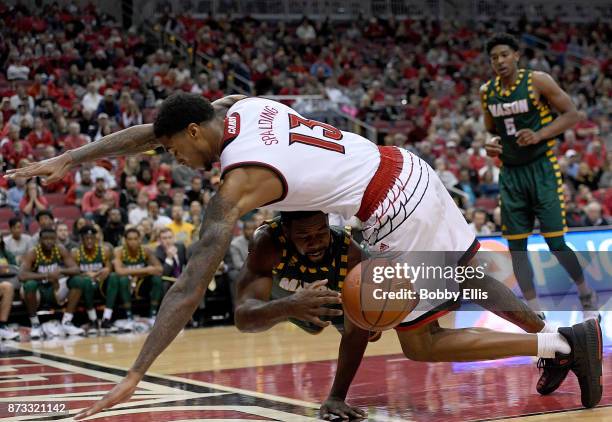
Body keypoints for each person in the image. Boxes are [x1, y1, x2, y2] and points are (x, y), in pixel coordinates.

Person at [6, 93, 602, 418]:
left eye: (172, 152)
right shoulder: (239, 106)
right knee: (466, 278)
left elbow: (189, 286)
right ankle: (560, 342)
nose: (171, 162)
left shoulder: (237, 187)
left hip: (393, 209)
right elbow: (149, 129)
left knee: (421, 343)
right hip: (408, 170)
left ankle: (562, 344)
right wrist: (74, 159)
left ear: (193, 136)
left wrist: (137, 373)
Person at [234, 211, 593, 419]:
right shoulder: (268, 242)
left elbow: (357, 332)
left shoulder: (349, 248)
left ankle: (555, 340)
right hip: (293, 300)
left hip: (351, 287)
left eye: (319, 234)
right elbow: (244, 318)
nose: (314, 242)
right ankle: (558, 341)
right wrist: (288, 307)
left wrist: (337, 395)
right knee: (455, 283)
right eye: (304, 237)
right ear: (286, 233)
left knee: (457, 277)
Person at [481, 33, 599, 319]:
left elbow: (573, 115)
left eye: (504, 55)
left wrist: (539, 135)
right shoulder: (487, 92)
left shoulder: (538, 81)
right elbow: (491, 130)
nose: (499, 61)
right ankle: (535, 313)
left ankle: (585, 291)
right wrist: (490, 144)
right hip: (511, 175)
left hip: (542, 170)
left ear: (517, 55)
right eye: (494, 57)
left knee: (555, 242)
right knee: (517, 248)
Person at [19, 228, 84, 338]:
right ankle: (35, 324)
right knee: (29, 284)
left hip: (54, 286)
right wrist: (46, 275)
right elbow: (22, 275)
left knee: (78, 280)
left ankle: (67, 322)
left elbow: (76, 269)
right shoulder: (33, 252)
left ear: (56, 240)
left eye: (52, 239)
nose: (49, 241)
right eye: (45, 239)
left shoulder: (60, 249)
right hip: (37, 289)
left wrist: (61, 270)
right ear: (40, 240)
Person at [112, 228, 163, 329]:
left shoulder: (146, 250)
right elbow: (119, 271)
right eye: (130, 239)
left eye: (136, 239)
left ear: (140, 239)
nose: (133, 242)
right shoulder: (119, 251)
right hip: (125, 285)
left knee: (157, 279)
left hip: (142, 286)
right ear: (125, 240)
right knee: (123, 279)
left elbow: (159, 269)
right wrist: (146, 270)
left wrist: (133, 273)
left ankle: (153, 315)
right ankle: (129, 316)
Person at [72, 225, 118, 334]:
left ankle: (106, 319)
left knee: (114, 277)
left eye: (91, 238)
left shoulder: (104, 251)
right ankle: (93, 320)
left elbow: (109, 268)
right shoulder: (75, 252)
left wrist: (106, 270)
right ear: (82, 239)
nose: (89, 241)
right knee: (87, 281)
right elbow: (73, 272)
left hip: (101, 283)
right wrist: (86, 274)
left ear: (95, 238)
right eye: (86, 238)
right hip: (85, 285)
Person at [0, 236, 19, 340]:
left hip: (3, 282)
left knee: (8, 287)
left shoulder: (4, 252)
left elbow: (16, 268)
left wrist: (6, 270)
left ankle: (1, 326)